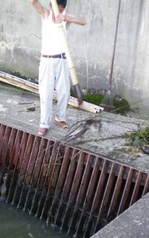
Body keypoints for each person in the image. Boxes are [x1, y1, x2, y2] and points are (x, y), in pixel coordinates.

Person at [30, 0, 86, 136]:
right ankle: (44, 124)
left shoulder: (65, 18)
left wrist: (66, 17)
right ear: (51, 5)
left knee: (64, 92)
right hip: (46, 60)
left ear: (63, 8)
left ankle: (60, 118)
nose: (58, 13)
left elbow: (83, 21)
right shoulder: (46, 14)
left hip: (62, 59)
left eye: (60, 10)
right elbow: (33, 2)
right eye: (57, 9)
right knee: (46, 93)